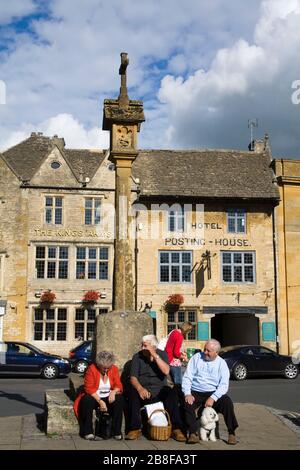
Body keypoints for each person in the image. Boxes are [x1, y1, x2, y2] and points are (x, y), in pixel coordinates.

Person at [125, 334, 186, 442]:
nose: (142, 348)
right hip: (143, 390)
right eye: (142, 345)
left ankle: (176, 428)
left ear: (154, 347)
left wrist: (154, 355)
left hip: (160, 390)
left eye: (145, 346)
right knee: (132, 392)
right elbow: (133, 378)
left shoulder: (162, 354)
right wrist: (140, 388)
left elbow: (166, 371)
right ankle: (135, 428)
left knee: (171, 393)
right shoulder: (137, 357)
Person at [182, 339, 238, 445]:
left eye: (208, 351)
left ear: (216, 352)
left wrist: (213, 397)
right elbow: (187, 377)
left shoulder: (222, 364)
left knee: (227, 402)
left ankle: (232, 433)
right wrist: (187, 393)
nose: (205, 352)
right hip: (196, 391)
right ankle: (193, 433)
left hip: (213, 392)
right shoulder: (196, 358)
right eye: (205, 349)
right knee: (187, 403)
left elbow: (224, 385)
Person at [74, 351, 124, 440]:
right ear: (98, 365)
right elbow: (88, 388)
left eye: (108, 368)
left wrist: (114, 392)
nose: (106, 370)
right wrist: (100, 401)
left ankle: (116, 431)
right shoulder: (91, 369)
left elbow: (118, 385)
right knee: (86, 400)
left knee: (119, 399)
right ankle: (87, 431)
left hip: (108, 396)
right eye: (104, 368)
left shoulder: (114, 369)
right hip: (95, 396)